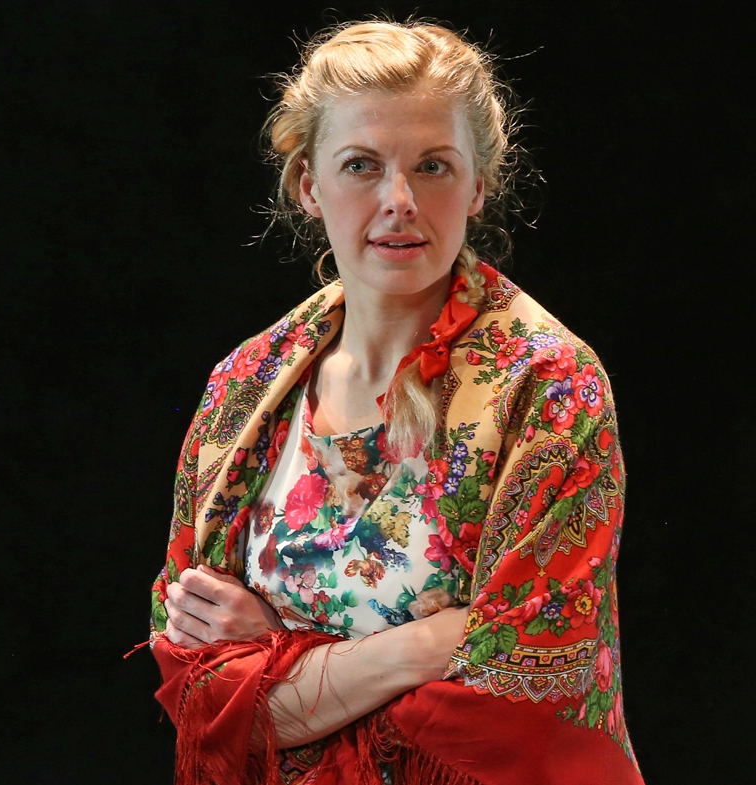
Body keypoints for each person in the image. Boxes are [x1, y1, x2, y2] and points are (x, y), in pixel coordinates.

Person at [149, 20, 645, 785]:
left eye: (433, 166)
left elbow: (521, 697)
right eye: (361, 165)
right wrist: (424, 644)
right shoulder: (247, 382)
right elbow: (194, 679)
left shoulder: (548, 384)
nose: (400, 200)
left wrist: (275, 659)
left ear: (478, 186)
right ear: (308, 185)